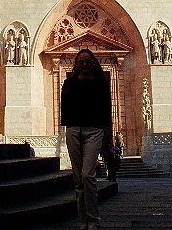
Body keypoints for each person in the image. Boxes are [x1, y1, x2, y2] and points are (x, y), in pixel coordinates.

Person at [61, 48, 112, 230]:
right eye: (81, 62)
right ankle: (83, 220)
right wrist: (67, 127)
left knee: (87, 175)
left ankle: (93, 219)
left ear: (94, 63)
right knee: (78, 178)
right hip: (74, 129)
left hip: (94, 130)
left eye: (87, 62)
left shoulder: (101, 83)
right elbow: (64, 108)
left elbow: (107, 110)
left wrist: (106, 135)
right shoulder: (69, 83)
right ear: (76, 64)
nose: (84, 65)